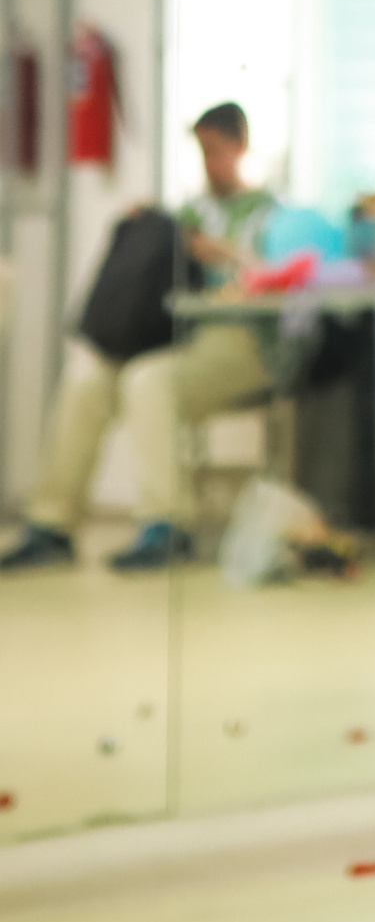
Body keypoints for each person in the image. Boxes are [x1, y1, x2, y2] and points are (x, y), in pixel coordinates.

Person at [2, 101, 275, 571]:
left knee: (148, 382)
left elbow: (283, 281)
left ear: (241, 146)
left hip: (239, 340)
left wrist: (227, 257)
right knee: (86, 383)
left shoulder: (270, 213)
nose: (209, 162)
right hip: (177, 335)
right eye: (201, 151)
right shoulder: (186, 214)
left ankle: (168, 525)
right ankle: (51, 524)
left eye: (217, 150)